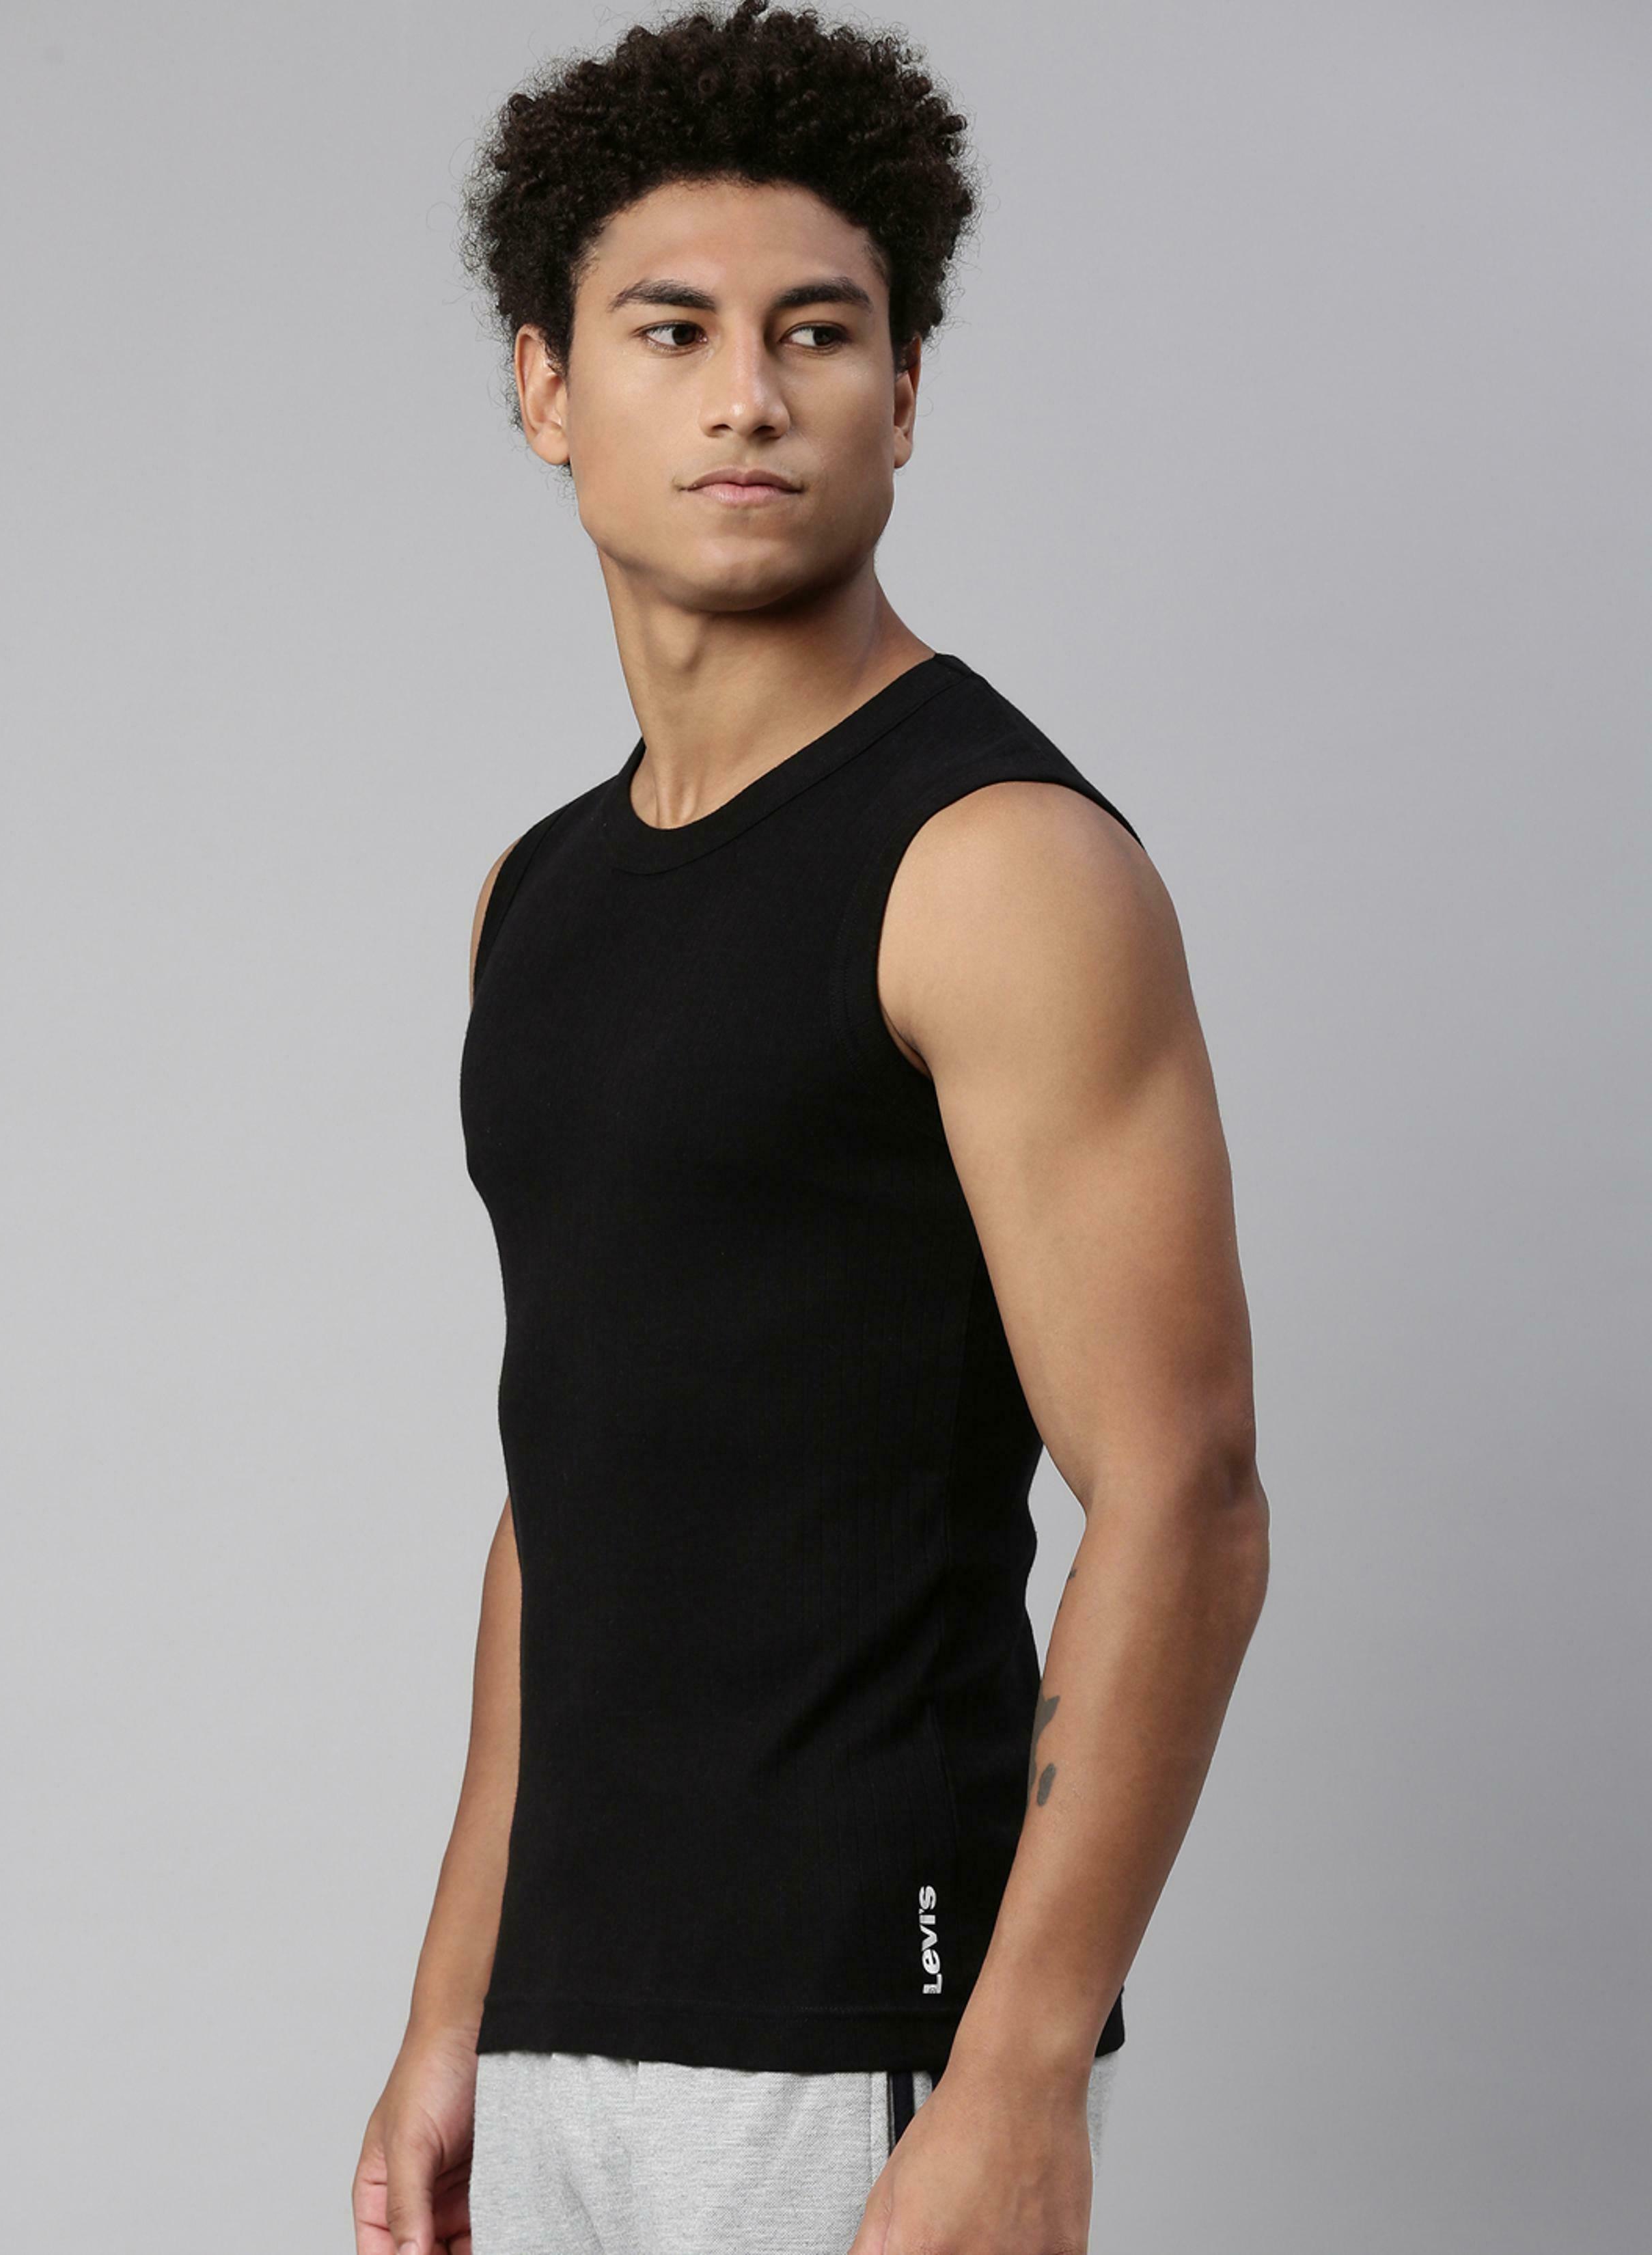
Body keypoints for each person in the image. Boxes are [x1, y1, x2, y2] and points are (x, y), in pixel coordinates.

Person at [353, 3, 1270, 2250]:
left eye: (818, 333)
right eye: (671, 331)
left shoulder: (993, 862)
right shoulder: (537, 898)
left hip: (864, 2022)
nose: (748, 395)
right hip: (571, 2021)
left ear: (903, 393)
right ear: (547, 386)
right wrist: (457, 1998)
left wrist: (1015, 2073)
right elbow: (572, 1480)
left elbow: (1183, 1492)